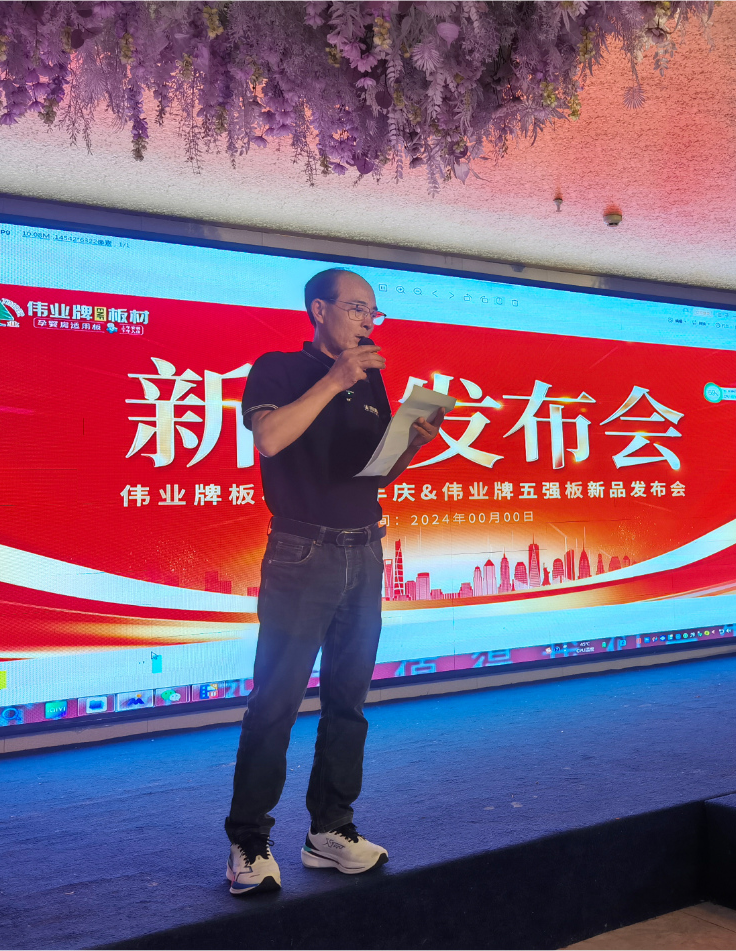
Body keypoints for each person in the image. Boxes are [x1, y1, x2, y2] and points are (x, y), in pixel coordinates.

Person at [224, 267, 441, 895]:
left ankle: (330, 829)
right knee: (277, 701)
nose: (368, 321)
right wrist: (335, 378)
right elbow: (269, 439)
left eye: (374, 311)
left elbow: (371, 475)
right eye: (356, 308)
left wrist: (411, 445)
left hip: (364, 549)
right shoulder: (278, 369)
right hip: (302, 553)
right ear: (319, 309)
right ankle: (248, 840)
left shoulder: (372, 379)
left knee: (348, 700)